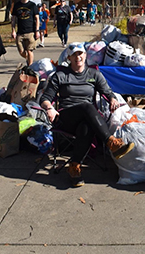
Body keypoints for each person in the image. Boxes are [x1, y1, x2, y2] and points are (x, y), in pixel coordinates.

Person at [40, 42, 135, 187]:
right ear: (69, 58)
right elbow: (45, 98)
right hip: (66, 117)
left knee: (87, 126)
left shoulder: (94, 74)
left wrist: (112, 99)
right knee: (86, 106)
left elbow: (107, 92)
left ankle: (74, 167)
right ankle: (111, 142)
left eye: (80, 53)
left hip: (88, 118)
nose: (78, 57)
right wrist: (49, 108)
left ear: (85, 55)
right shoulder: (60, 76)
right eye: (74, 55)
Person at [11, 0, 39, 66]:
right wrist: (13, 31)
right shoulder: (17, 5)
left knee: (30, 50)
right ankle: (28, 59)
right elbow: (13, 19)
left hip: (30, 32)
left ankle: (30, 67)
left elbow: (37, 18)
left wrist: (37, 31)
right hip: (20, 32)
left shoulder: (32, 5)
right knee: (21, 51)